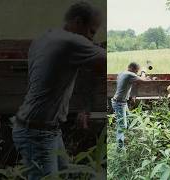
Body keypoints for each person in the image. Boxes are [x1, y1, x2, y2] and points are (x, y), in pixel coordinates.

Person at [11, 2, 105, 179]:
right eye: (91, 31)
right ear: (78, 22)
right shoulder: (70, 41)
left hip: (45, 129)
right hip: (37, 134)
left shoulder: (46, 37)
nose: (91, 38)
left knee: (65, 174)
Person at [111, 62, 148, 150]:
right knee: (122, 127)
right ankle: (120, 149)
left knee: (129, 119)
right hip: (120, 103)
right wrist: (143, 72)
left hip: (120, 102)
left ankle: (126, 140)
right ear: (133, 69)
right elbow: (143, 80)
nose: (136, 73)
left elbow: (129, 84)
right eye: (136, 71)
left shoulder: (122, 73)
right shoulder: (129, 74)